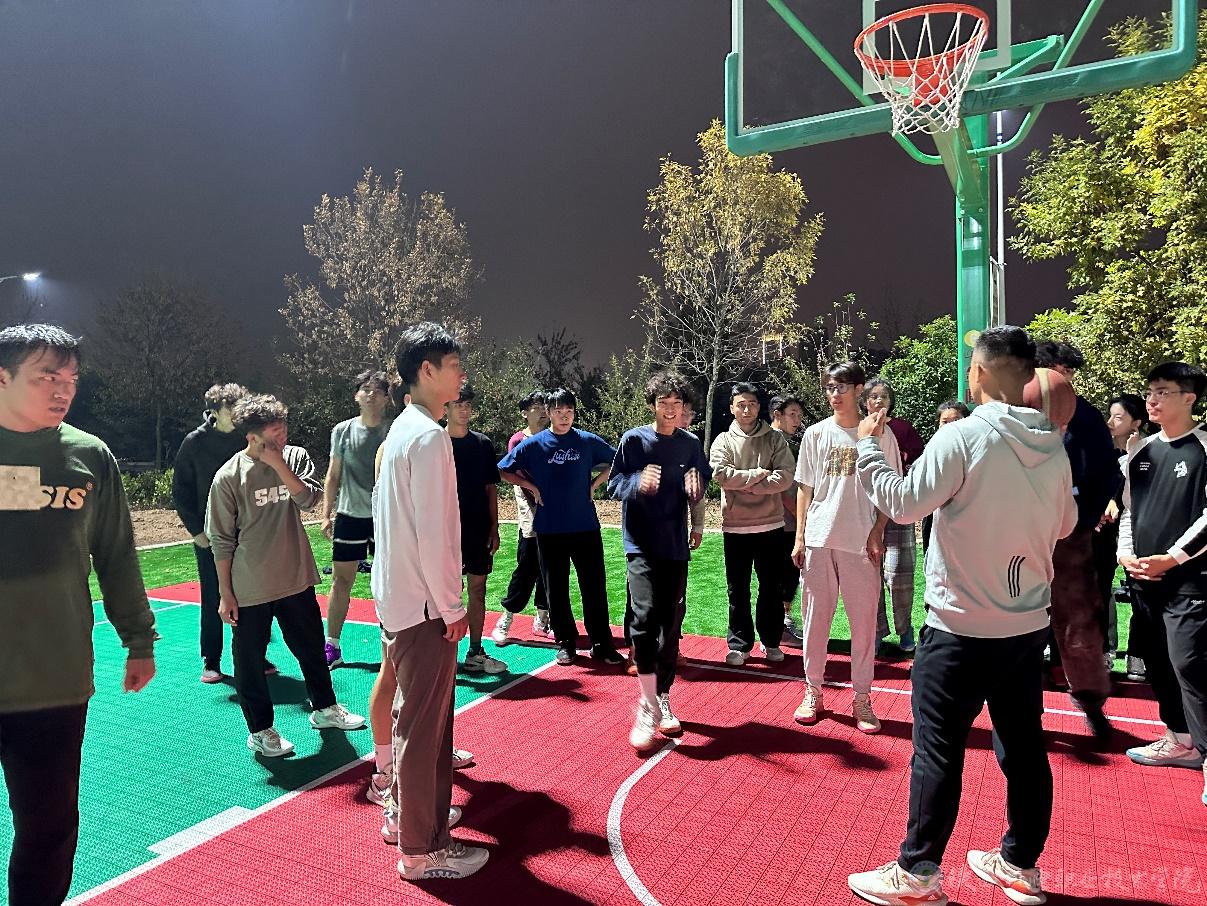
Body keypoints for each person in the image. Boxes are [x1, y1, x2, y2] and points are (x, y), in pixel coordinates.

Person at [847, 326, 1077, 906]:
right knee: (1024, 749)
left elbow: (903, 504)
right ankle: (1020, 865)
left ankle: (918, 873)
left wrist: (868, 449)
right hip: (1025, 626)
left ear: (981, 372)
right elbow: (1067, 524)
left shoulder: (963, 436)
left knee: (938, 751)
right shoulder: (1052, 445)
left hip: (960, 627)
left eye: (971, 365)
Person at [0, 324, 157, 906]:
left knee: (47, 828)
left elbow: (116, 553)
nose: (63, 389)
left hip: (54, 679)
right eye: (47, 376)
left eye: (71, 378)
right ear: (2, 377)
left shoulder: (88, 456)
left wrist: (139, 639)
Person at [372, 322, 488, 880]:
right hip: (423, 606)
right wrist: (453, 606)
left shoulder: (402, 431)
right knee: (426, 729)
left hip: (400, 599)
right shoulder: (429, 437)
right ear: (426, 370)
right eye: (454, 365)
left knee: (411, 717)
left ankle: (407, 816)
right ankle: (423, 849)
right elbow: (437, 535)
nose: (461, 376)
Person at [208, 394, 365, 757]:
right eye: (274, 433)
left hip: (295, 577)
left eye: (284, 429)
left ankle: (325, 709)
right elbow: (221, 540)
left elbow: (308, 500)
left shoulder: (294, 457)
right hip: (250, 587)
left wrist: (278, 462)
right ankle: (261, 730)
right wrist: (226, 594)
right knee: (249, 662)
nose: (283, 437)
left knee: (311, 649)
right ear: (252, 437)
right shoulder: (228, 476)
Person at [792, 363, 901, 733]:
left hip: (861, 543)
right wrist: (800, 536)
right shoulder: (816, 434)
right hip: (819, 540)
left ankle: (862, 698)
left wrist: (878, 530)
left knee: (864, 625)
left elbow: (890, 488)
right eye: (829, 387)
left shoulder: (881, 433)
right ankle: (813, 691)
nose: (834, 394)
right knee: (814, 622)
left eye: (842, 386)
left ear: (858, 389)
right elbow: (805, 488)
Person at [1117, 362, 1207, 806]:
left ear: (1189, 398)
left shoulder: (1203, 447)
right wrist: (1126, 554)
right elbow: (1130, 511)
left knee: (1191, 664)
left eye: (1163, 392)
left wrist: (1172, 559)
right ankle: (1180, 739)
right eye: (1150, 391)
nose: (1152, 400)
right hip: (1144, 581)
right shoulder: (1142, 452)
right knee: (1158, 661)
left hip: (1192, 580)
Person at [610, 372, 712, 750]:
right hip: (640, 545)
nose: (670, 410)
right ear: (652, 405)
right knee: (643, 616)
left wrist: (696, 496)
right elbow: (613, 484)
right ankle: (647, 701)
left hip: (674, 546)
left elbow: (701, 480)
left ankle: (663, 698)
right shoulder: (634, 440)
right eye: (663, 403)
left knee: (670, 625)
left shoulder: (690, 444)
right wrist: (637, 481)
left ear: (683, 408)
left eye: (676, 404)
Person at [497, 388, 622, 666]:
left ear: (574, 413)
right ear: (549, 412)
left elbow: (619, 459)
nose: (564, 416)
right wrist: (531, 486)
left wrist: (595, 484)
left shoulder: (587, 441)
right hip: (550, 528)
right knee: (556, 588)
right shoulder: (534, 444)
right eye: (558, 411)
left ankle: (601, 643)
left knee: (594, 586)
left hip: (585, 526)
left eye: (569, 411)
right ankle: (566, 642)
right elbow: (503, 469)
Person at [1034, 341, 1118, 741]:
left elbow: (1106, 473)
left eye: (1068, 374)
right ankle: (1012, 705)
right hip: (1016, 534)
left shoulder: (1085, 416)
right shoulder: (1010, 411)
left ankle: (1090, 700)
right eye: (1058, 372)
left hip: (1068, 538)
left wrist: (1081, 520)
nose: (1063, 381)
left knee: (1077, 621)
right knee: (1010, 618)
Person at [710, 382, 796, 666]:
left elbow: (785, 476)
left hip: (771, 525)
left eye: (752, 404)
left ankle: (771, 642)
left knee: (771, 587)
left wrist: (747, 485)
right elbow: (720, 475)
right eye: (741, 405)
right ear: (732, 408)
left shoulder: (774, 439)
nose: (747, 410)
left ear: (759, 407)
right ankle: (740, 644)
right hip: (735, 526)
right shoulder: (723, 440)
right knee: (737, 589)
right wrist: (760, 473)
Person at [172, 381, 250, 683]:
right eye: (232, 408)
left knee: (250, 593)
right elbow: (181, 491)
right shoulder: (194, 442)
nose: (238, 413)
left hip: (245, 530)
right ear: (215, 411)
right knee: (213, 594)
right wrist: (196, 532)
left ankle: (253, 654)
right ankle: (212, 660)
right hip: (209, 534)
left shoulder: (245, 438)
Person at [320, 369, 392, 668]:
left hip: (385, 519)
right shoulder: (342, 431)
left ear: (387, 398)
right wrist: (326, 514)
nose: (371, 394)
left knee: (388, 582)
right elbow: (333, 475)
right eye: (365, 389)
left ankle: (392, 645)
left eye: (378, 390)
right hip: (349, 516)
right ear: (356, 396)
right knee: (341, 581)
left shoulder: (394, 430)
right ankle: (332, 646)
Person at [446, 384, 506, 673]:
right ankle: (443, 655)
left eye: (468, 404)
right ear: (446, 407)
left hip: (478, 529)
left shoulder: (482, 444)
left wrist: (494, 527)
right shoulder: (436, 442)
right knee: (445, 593)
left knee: (477, 589)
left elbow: (490, 488)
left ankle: (475, 650)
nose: (464, 409)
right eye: (458, 404)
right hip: (445, 532)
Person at [862, 378, 923, 655]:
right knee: (868, 575)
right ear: (865, 401)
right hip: (864, 511)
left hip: (898, 508)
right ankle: (875, 631)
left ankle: (905, 628)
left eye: (884, 397)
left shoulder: (902, 429)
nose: (879, 401)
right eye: (873, 396)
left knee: (899, 574)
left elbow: (919, 462)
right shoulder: (858, 429)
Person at [1095, 393, 1149, 680]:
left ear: (1136, 422)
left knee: (1141, 594)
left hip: (1138, 530)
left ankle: (1138, 656)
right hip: (1103, 532)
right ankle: (1103, 652)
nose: (1110, 422)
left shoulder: (1150, 451)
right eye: (1110, 415)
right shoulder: (1101, 451)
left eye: (1118, 417)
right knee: (1100, 590)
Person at [492, 390, 552, 644]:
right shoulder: (518, 440)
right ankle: (506, 618)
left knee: (551, 566)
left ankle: (543, 618)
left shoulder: (556, 436)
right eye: (536, 407)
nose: (542, 412)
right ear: (524, 413)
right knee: (527, 564)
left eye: (545, 406)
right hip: (530, 510)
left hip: (555, 510)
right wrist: (536, 491)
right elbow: (513, 472)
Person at [770, 394, 805, 647]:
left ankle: (781, 623)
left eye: (799, 415)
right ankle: (778, 627)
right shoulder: (772, 442)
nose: (797, 420)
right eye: (792, 414)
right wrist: (799, 514)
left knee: (789, 574)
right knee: (782, 575)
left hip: (789, 521)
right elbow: (780, 488)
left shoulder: (788, 442)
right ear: (777, 415)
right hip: (780, 521)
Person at [921, 401, 969, 554]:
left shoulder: (974, 447)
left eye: (956, 420)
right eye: (945, 422)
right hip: (934, 509)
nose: (950, 426)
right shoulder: (931, 448)